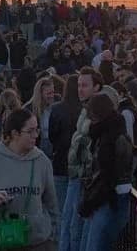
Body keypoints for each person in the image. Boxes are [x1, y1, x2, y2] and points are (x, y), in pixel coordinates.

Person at [0, 109, 58, 251]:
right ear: (15, 133)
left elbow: (52, 204)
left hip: (38, 242)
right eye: (30, 131)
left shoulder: (42, 161)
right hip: (3, 241)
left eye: (37, 130)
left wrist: (53, 238)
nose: (36, 135)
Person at [59, 68, 120, 251]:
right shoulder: (87, 109)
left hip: (85, 178)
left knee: (76, 227)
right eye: (78, 85)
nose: (80, 89)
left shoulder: (99, 113)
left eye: (84, 85)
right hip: (77, 174)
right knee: (69, 223)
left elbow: (93, 148)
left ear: (97, 87)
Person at [79, 94, 134, 251]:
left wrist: (89, 202)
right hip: (108, 197)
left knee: (95, 244)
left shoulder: (111, 139)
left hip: (108, 198)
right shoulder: (110, 134)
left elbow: (106, 176)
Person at [48, 74, 81, 212]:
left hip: (60, 160)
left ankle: (62, 232)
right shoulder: (84, 109)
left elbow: (52, 136)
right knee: (76, 208)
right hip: (79, 162)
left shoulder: (56, 109)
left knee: (61, 207)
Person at [26, 77, 56, 159]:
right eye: (48, 93)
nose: (52, 96)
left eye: (53, 92)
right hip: (36, 151)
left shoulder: (56, 107)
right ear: (40, 94)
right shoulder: (28, 110)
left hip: (53, 151)